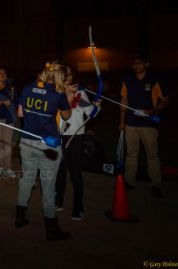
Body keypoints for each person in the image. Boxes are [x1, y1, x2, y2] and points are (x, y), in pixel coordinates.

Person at [16, 62, 73, 241]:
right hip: (48, 145)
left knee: (27, 179)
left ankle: (19, 218)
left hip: (26, 142)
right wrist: (68, 99)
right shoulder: (59, 94)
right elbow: (66, 116)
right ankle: (51, 229)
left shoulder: (27, 88)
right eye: (63, 78)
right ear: (58, 78)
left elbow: (20, 113)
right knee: (48, 186)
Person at [120, 54, 169, 198]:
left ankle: (155, 184)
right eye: (134, 63)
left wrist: (152, 110)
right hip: (130, 123)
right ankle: (129, 181)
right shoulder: (127, 80)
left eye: (139, 63)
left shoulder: (155, 80)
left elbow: (166, 101)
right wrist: (122, 122)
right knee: (131, 154)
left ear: (146, 64)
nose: (136, 65)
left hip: (149, 124)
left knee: (152, 155)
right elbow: (123, 100)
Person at [55, 66, 99, 221]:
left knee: (75, 172)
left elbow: (90, 113)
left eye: (69, 74)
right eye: (64, 74)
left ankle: (78, 207)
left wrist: (96, 107)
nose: (67, 76)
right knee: (60, 171)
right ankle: (58, 201)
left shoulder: (80, 94)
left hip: (76, 136)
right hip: (60, 136)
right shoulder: (56, 92)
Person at [0, 67, 18, 178]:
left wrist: (8, 103)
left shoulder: (11, 89)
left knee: (7, 144)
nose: (1, 75)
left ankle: (8, 167)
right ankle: (1, 166)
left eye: (4, 73)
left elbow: (17, 103)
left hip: (8, 120)